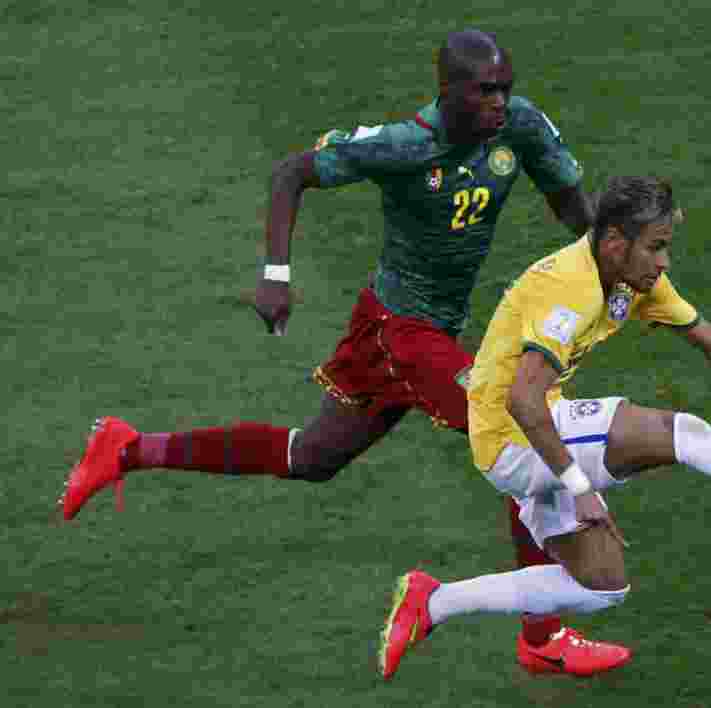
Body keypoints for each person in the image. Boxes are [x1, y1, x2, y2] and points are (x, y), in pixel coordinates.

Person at [58, 30, 632, 675]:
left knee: (314, 457)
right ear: (448, 91)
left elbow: (570, 206)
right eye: (484, 90)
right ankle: (541, 637)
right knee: (521, 433)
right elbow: (291, 172)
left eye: (505, 88)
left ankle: (128, 448)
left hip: (415, 330)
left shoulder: (518, 128)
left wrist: (611, 270)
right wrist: (275, 275)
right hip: (400, 332)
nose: (499, 101)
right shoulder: (405, 144)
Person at [378, 175, 711, 679]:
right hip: (515, 438)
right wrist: (581, 488)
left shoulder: (630, 280)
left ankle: (434, 601)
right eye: (656, 246)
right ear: (615, 241)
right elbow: (523, 399)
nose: (664, 261)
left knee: (603, 588)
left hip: (529, 438)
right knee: (681, 433)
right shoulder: (571, 289)